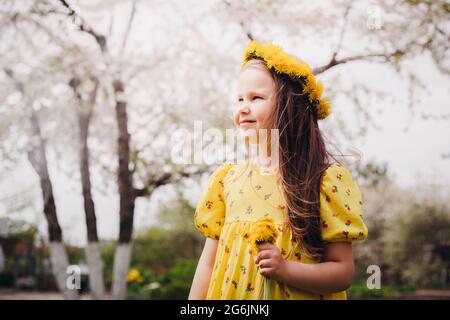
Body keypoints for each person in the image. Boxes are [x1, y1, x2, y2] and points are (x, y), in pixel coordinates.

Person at [188, 40, 368, 300]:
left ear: (290, 108)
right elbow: (207, 264)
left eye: (256, 98)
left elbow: (342, 272)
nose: (242, 107)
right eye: (239, 99)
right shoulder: (226, 180)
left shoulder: (323, 181)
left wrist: (287, 270)